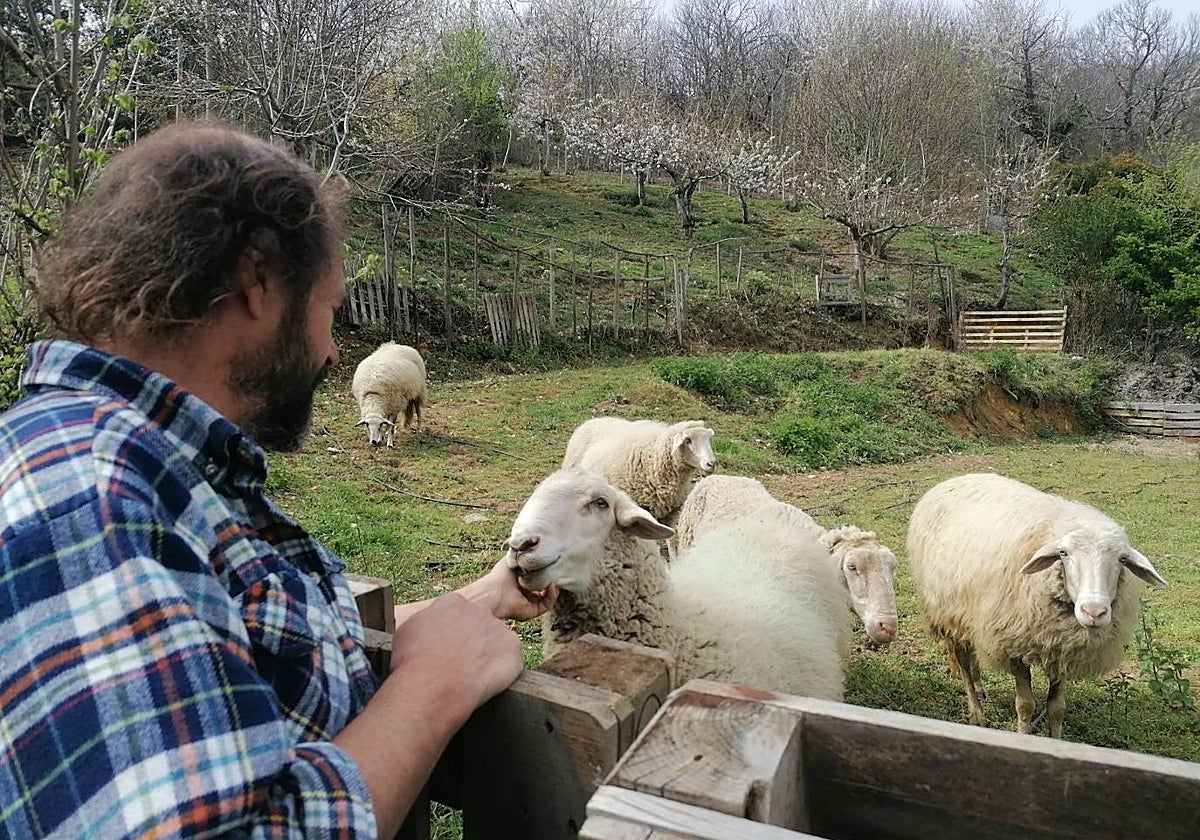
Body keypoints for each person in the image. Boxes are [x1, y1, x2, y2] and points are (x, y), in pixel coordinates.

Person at [0, 122, 557, 839]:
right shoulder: (88, 499)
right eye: (328, 309)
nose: (332, 350)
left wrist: (478, 600)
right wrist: (437, 685)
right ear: (257, 280)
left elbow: (237, 651)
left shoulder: (148, 471)